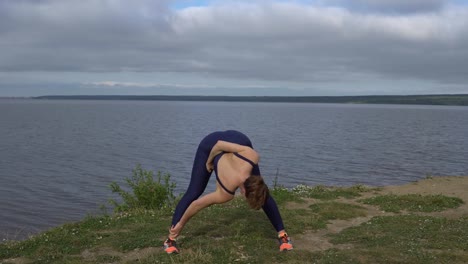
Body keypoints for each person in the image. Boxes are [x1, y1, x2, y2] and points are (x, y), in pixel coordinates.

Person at [163, 130, 293, 254]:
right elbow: (218, 144)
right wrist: (209, 161)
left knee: (261, 193)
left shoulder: (253, 156)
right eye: (246, 198)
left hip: (238, 141)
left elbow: (222, 146)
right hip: (211, 144)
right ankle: (171, 239)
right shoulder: (226, 192)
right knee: (194, 191)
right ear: (243, 192)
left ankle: (282, 234)